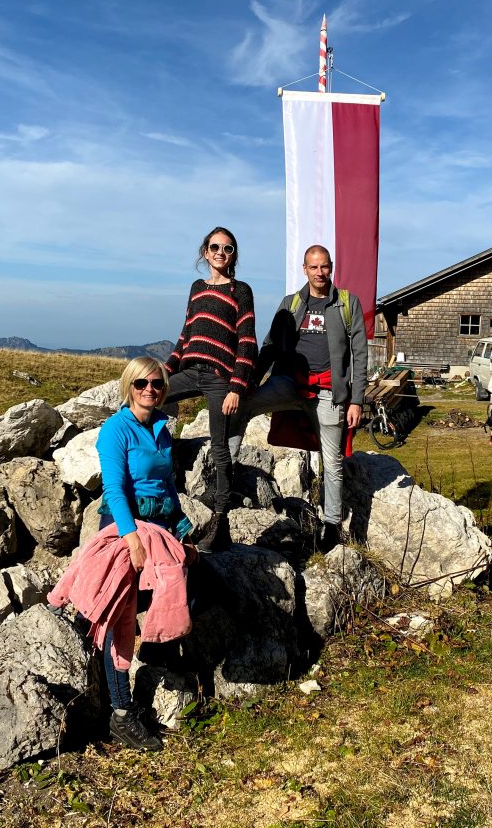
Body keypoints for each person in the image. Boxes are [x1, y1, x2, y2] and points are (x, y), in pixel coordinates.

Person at [48, 356, 195, 752]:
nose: (150, 390)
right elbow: (113, 489)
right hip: (123, 526)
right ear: (128, 386)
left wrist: (181, 529)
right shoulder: (115, 430)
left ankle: (157, 674)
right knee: (121, 613)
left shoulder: (163, 429)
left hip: (160, 526)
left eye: (158, 384)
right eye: (141, 384)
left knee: (181, 589)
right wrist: (132, 541)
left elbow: (166, 487)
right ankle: (121, 713)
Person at [231, 245, 368, 552]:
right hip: (289, 384)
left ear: (331, 268)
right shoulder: (291, 303)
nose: (320, 273)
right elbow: (269, 345)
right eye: (314, 267)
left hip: (330, 392)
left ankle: (331, 526)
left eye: (325, 267)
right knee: (244, 406)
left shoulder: (347, 304)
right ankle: (223, 478)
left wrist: (357, 400)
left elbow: (360, 354)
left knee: (331, 461)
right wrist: (249, 382)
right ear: (304, 269)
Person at [164, 227, 257, 552]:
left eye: (227, 248)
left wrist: (236, 387)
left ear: (233, 255)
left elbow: (247, 342)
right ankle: (152, 475)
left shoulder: (240, 290)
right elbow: (186, 334)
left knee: (220, 449)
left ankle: (220, 520)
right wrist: (165, 371)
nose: (220, 252)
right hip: (190, 372)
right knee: (146, 400)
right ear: (205, 252)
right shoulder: (196, 287)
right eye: (215, 247)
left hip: (221, 379)